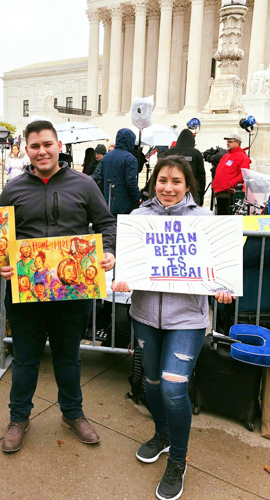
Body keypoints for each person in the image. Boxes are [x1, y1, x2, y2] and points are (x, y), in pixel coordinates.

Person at [113, 156, 233, 500]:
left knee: (172, 388)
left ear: (188, 185)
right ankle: (162, 434)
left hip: (188, 320)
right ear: (154, 183)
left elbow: (219, 269)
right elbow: (128, 263)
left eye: (176, 181)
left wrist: (222, 287)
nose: (168, 188)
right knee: (151, 383)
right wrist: (121, 278)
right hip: (145, 316)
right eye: (162, 180)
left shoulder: (205, 220)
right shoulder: (138, 219)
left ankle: (177, 461)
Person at [0, 120, 116, 453]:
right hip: (26, 292)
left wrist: (108, 250)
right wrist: (3, 263)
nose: (42, 151)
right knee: (25, 359)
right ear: (27, 149)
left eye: (47, 144)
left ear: (58, 145)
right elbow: (1, 239)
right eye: (35, 146)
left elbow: (107, 224)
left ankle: (72, 413)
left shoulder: (85, 184)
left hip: (71, 291)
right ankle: (18, 417)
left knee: (68, 357)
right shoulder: (14, 188)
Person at [98, 128, 141, 216]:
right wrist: (137, 197)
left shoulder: (106, 157)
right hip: (124, 203)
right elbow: (131, 181)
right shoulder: (130, 158)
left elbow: (100, 177)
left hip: (108, 200)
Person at [163, 129, 206, 206]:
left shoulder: (170, 152)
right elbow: (201, 175)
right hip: (192, 189)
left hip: (172, 188)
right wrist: (201, 193)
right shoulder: (196, 153)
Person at [212, 133, 251, 215]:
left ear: (237, 143)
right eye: (227, 141)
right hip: (220, 192)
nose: (227, 143)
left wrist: (231, 184)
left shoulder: (242, 157)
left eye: (230, 141)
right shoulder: (226, 156)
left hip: (230, 193)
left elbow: (244, 174)